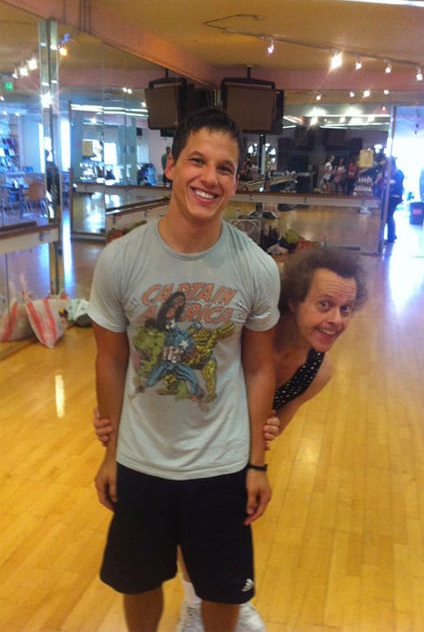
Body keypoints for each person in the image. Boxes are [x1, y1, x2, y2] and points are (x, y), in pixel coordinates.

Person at [94, 246, 368, 632]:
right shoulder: (245, 338)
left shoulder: (317, 373)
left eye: (346, 309)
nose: (335, 319)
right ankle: (195, 602)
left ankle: (211, 600)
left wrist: (263, 439)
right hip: (174, 440)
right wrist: (116, 414)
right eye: (325, 305)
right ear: (293, 301)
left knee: (215, 543)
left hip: (230, 452)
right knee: (175, 534)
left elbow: (275, 423)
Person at [88, 106, 281, 632]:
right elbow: (111, 358)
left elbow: (259, 368)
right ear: (171, 165)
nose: (209, 178)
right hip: (140, 461)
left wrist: (257, 464)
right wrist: (110, 453)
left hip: (221, 466)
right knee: (138, 582)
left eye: (225, 168)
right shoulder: (121, 260)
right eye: (198, 161)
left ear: (236, 181)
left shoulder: (257, 268)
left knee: (221, 589)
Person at [385, 157, 405, 244]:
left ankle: (391, 237)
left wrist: (388, 182)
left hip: (395, 197)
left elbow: (396, 184)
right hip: (390, 197)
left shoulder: (399, 173)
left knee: (389, 216)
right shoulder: (390, 172)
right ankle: (392, 235)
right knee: (389, 216)